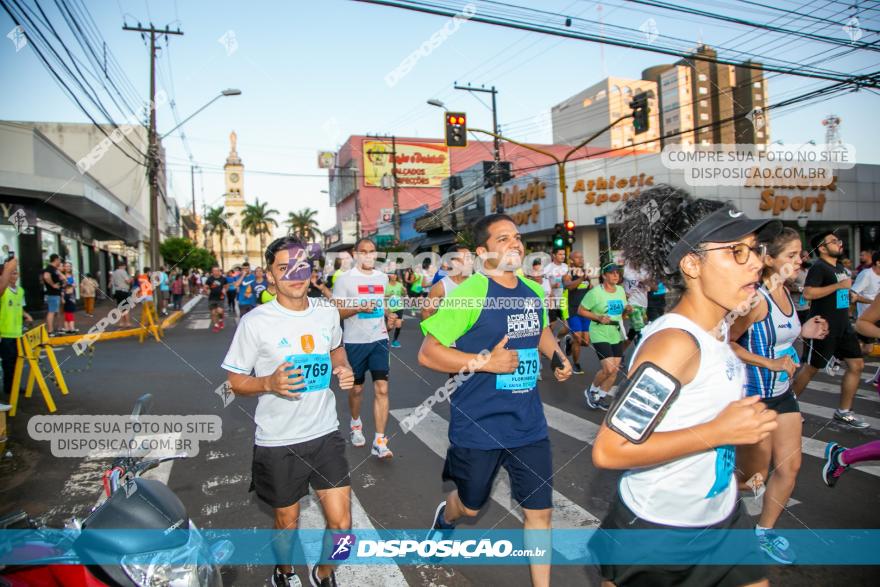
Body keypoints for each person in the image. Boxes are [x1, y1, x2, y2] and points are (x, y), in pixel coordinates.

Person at [591, 185, 780, 587]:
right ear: (692, 265)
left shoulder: (719, 331)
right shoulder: (675, 344)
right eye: (736, 251)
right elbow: (610, 450)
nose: (756, 264)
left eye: (755, 249)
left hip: (722, 518)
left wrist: (746, 454)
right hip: (658, 532)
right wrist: (718, 433)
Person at [418, 213, 571, 587]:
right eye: (503, 239)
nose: (515, 243)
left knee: (540, 514)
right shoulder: (469, 294)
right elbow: (428, 353)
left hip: (528, 424)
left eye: (516, 237)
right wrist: (486, 362)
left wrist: (556, 356)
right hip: (478, 425)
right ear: (483, 252)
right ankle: (446, 517)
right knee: (470, 506)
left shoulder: (534, 291)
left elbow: (541, 331)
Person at [222, 236, 355, 587]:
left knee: (343, 528)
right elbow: (233, 382)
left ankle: (324, 573)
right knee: (286, 522)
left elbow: (336, 350)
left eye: (301, 267)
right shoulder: (256, 322)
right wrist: (267, 383)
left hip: (325, 433)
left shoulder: (327, 312)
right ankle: (284, 572)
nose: (295, 275)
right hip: (278, 440)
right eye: (284, 268)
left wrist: (342, 368)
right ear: (270, 276)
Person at [729, 227, 830, 564]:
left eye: (800, 254)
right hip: (755, 397)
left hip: (783, 395)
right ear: (769, 260)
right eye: (791, 255)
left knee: (791, 466)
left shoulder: (788, 293)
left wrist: (805, 330)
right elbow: (725, 342)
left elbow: (780, 335)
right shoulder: (754, 300)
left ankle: (764, 533)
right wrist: (768, 362)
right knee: (751, 480)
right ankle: (706, 504)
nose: (799, 260)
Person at [791, 231, 868, 429]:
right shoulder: (819, 267)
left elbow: (841, 292)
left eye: (839, 240)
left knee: (857, 365)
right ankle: (788, 408)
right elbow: (808, 293)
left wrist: (850, 295)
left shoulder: (840, 267)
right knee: (811, 368)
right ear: (822, 248)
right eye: (834, 241)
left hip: (843, 326)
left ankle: (843, 412)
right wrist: (838, 286)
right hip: (822, 327)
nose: (839, 244)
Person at [332, 237, 396, 459]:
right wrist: (359, 306)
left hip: (379, 340)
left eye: (372, 251)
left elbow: (384, 301)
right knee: (357, 389)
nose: (368, 255)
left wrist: (390, 315)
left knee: (382, 389)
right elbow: (337, 312)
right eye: (363, 251)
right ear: (355, 254)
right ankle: (356, 424)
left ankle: (379, 440)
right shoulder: (344, 280)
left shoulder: (382, 277)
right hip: (354, 342)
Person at [579, 264, 631, 410]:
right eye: (612, 273)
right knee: (608, 369)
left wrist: (627, 310)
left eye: (618, 273)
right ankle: (591, 390)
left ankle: (600, 397)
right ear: (604, 275)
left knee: (615, 370)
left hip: (615, 331)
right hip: (599, 331)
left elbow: (622, 314)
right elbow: (581, 311)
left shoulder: (620, 290)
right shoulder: (595, 293)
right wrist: (598, 317)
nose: (616, 276)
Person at [0, 264, 33, 400]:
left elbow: (19, 306)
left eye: (16, 273)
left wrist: (26, 315)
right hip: (4, 333)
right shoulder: (2, 291)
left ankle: (11, 386)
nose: (15, 275)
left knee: (15, 361)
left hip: (17, 332)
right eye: (11, 273)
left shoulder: (20, 291)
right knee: (7, 362)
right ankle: (9, 386)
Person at [423, 244, 473, 321]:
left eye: (471, 258)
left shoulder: (479, 281)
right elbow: (426, 312)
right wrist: (433, 332)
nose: (471, 262)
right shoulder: (441, 287)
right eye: (467, 259)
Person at [562, 250, 592, 375]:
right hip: (573, 310)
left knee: (586, 342)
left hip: (585, 310)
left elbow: (589, 288)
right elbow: (569, 286)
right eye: (578, 258)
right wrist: (581, 279)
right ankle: (576, 364)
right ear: (572, 260)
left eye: (582, 257)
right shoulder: (568, 274)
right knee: (578, 339)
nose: (581, 259)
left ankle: (569, 342)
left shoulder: (585, 274)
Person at [852, 251, 880, 353]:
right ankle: (843, 352)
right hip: (867, 318)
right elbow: (852, 295)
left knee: (869, 348)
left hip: (878, 317)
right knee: (868, 349)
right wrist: (873, 302)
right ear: (878, 263)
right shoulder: (866, 274)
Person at [621, 262, 650, 347]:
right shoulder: (628, 268)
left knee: (633, 331)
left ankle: (620, 352)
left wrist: (647, 282)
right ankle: (642, 351)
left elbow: (650, 287)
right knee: (640, 329)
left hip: (643, 303)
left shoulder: (645, 269)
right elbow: (625, 276)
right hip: (632, 303)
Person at [542, 248, 569, 337]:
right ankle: (549, 343)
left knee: (567, 328)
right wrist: (553, 286)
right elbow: (543, 284)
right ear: (554, 255)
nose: (563, 256)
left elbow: (568, 282)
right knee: (552, 326)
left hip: (563, 300)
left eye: (564, 254)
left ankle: (557, 339)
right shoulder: (548, 268)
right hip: (552, 301)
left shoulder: (565, 266)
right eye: (560, 254)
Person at [42, 254, 64, 335]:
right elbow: (46, 276)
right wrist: (53, 285)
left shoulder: (54, 269)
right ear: (56, 259)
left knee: (57, 311)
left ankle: (59, 328)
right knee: (51, 311)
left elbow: (63, 277)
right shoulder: (50, 268)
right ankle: (50, 330)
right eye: (59, 260)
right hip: (52, 293)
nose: (60, 261)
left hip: (56, 293)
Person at [385, 272, 406, 348]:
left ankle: (395, 341)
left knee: (398, 324)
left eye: (395, 275)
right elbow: (381, 296)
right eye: (392, 274)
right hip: (389, 308)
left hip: (399, 307)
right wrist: (388, 295)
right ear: (389, 276)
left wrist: (404, 291)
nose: (394, 276)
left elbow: (403, 295)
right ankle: (383, 338)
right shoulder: (385, 285)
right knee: (389, 326)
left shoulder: (399, 285)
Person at [204, 266, 227, 332]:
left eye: (217, 270)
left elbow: (226, 286)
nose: (215, 272)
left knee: (219, 311)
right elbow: (205, 286)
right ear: (212, 271)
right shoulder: (210, 279)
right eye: (214, 271)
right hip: (212, 298)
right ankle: (216, 325)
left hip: (220, 298)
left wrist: (224, 290)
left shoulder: (223, 279)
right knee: (213, 313)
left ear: (219, 271)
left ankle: (220, 320)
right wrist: (206, 290)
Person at [110, 261, 133, 327]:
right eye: (125, 266)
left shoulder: (114, 273)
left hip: (117, 291)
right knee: (126, 308)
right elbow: (127, 281)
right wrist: (131, 279)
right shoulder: (123, 272)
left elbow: (112, 282)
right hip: (124, 291)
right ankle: (127, 323)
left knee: (120, 308)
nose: (125, 268)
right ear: (123, 266)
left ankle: (121, 323)